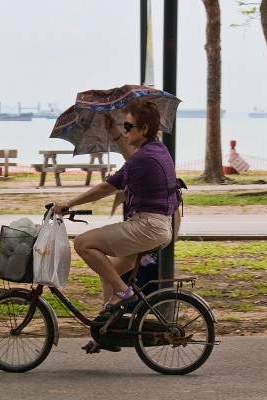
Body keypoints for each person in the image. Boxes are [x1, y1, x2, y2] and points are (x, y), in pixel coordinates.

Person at [53, 100, 180, 317]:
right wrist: (114, 132)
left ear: (145, 129)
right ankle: (108, 326)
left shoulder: (145, 157)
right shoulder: (157, 149)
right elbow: (131, 158)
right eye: (124, 126)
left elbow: (106, 187)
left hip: (148, 226)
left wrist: (69, 204)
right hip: (158, 226)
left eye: (129, 126)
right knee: (109, 270)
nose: (125, 131)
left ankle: (122, 292)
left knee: (83, 243)